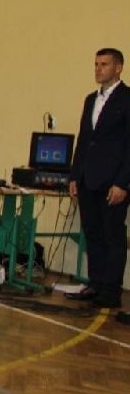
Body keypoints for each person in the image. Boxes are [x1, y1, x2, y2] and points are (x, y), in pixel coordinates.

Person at [66, 48, 130, 310]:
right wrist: (74, 176)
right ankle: (95, 283)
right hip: (88, 179)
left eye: (104, 64)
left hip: (113, 181)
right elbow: (84, 140)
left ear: (118, 68)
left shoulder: (127, 99)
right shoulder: (90, 99)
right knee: (92, 233)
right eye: (96, 64)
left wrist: (123, 183)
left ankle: (111, 291)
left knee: (112, 235)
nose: (98, 69)